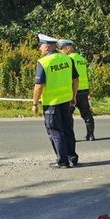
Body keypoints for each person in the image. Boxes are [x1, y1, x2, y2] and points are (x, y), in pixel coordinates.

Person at [32, 34, 80, 168]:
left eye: (40, 46)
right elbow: (76, 79)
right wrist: (74, 96)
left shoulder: (44, 62)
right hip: (66, 100)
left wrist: (34, 103)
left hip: (51, 103)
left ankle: (62, 161)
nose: (40, 48)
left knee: (55, 131)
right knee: (68, 129)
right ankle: (72, 158)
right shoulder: (67, 58)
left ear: (46, 47)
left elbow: (39, 85)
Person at [57, 39, 96, 141]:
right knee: (87, 114)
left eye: (62, 49)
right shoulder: (81, 58)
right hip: (84, 90)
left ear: (68, 48)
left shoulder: (68, 59)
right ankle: (90, 135)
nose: (60, 51)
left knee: (68, 115)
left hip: (72, 91)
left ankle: (70, 137)